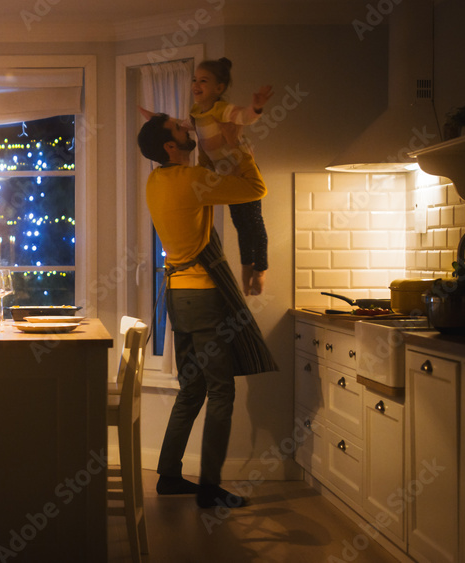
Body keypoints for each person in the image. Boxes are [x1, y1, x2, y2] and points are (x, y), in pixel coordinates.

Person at [137, 114, 277, 509]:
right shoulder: (191, 181)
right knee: (221, 392)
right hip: (203, 297)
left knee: (192, 388)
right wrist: (240, 146)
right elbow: (255, 187)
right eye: (179, 129)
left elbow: (203, 167)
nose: (187, 129)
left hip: (178, 298)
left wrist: (206, 131)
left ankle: (168, 474)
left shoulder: (158, 180)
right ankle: (210, 487)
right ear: (169, 146)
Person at [139, 57, 273, 296]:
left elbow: (243, 117)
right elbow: (182, 124)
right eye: (195, 80)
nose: (196, 85)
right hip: (222, 172)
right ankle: (249, 272)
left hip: (238, 167)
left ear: (218, 89)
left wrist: (256, 108)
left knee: (252, 224)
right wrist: (235, 143)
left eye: (203, 80)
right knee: (243, 224)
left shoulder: (221, 110)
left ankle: (259, 270)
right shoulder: (193, 172)